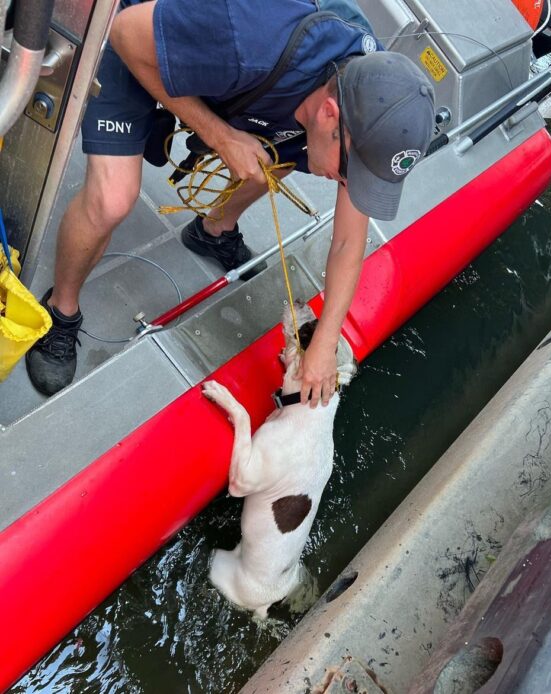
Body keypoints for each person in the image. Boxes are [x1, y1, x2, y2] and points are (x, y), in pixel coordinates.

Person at [26, 0, 435, 406]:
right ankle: (60, 310)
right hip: (139, 30)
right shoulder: (252, 40)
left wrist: (326, 342)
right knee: (113, 198)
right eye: (350, 172)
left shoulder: (372, 102)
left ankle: (213, 231)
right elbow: (127, 34)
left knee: (283, 153)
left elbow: (348, 242)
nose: (348, 184)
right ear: (329, 114)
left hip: (227, 68)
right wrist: (221, 136)